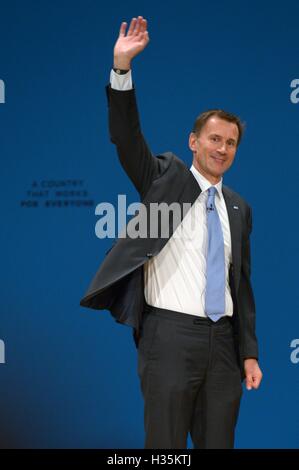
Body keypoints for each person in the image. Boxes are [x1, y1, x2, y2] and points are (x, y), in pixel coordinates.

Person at [80, 16, 263, 449]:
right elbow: (127, 139)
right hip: (170, 338)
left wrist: (249, 351)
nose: (222, 149)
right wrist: (121, 69)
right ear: (193, 142)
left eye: (230, 143)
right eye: (214, 139)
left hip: (224, 347)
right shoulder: (166, 180)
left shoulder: (239, 207)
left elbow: (242, 284)